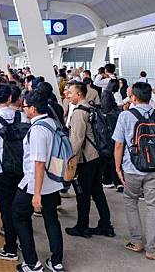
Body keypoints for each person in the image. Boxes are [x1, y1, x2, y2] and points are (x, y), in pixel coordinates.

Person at [113, 82, 155, 260]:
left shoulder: (125, 116)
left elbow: (119, 144)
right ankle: (151, 249)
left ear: (134, 97)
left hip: (132, 168)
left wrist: (117, 167)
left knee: (131, 201)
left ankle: (136, 241)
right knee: (153, 207)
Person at [12, 90, 65, 272]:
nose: (23, 109)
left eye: (24, 106)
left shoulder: (37, 130)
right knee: (51, 219)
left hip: (35, 184)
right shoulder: (52, 122)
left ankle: (32, 263)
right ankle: (56, 262)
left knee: (18, 216)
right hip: (53, 182)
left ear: (33, 109)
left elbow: (39, 163)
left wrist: (36, 193)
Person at [0, 83, 30, 261]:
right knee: (21, 210)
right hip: (23, 171)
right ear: (11, 98)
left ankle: (10, 249)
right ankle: (22, 242)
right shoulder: (24, 117)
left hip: (2, 171)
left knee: (7, 210)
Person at [64, 82, 114, 238]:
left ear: (79, 94)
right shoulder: (92, 108)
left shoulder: (79, 112)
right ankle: (106, 225)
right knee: (97, 191)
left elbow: (77, 140)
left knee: (83, 194)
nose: (68, 95)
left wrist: (69, 159)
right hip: (98, 156)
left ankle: (82, 227)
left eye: (70, 92)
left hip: (86, 160)